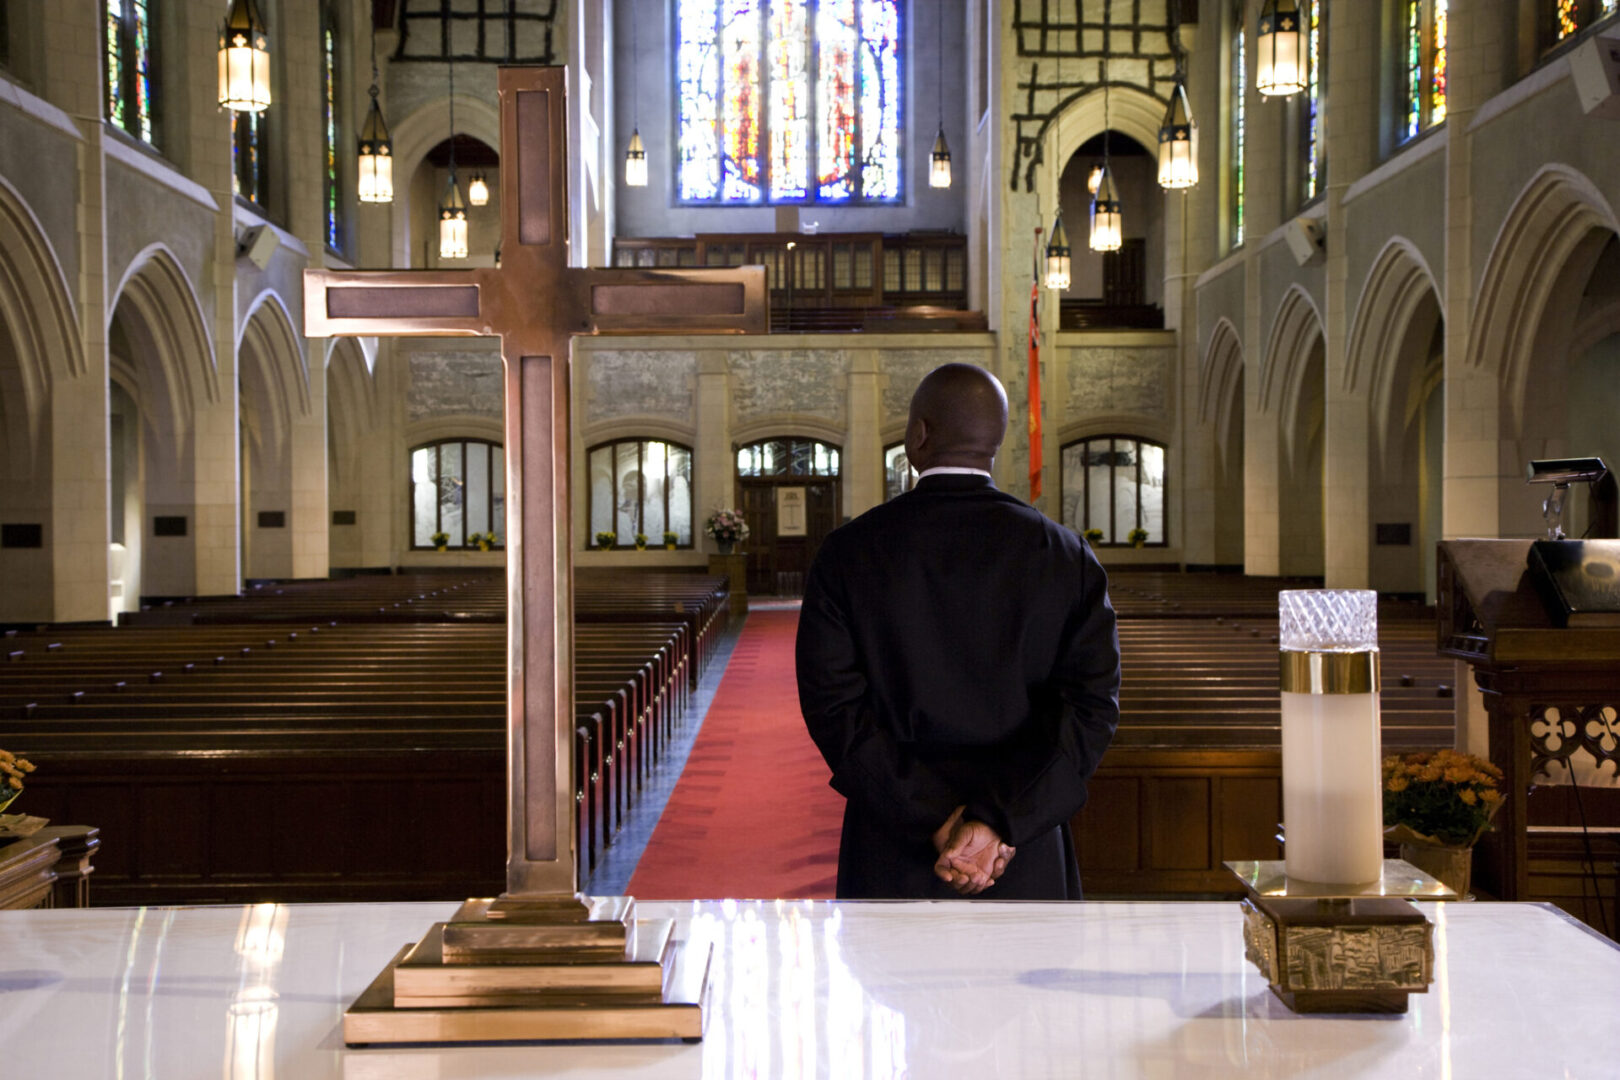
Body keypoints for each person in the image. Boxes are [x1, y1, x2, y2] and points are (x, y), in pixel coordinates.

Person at [795, 363, 1121, 900]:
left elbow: (834, 709)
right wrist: (997, 824)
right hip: (1021, 852)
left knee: (891, 985)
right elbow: (1091, 709)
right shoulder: (1065, 555)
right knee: (1030, 985)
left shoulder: (849, 552)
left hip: (893, 846)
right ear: (995, 441)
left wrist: (935, 820)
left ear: (917, 434)